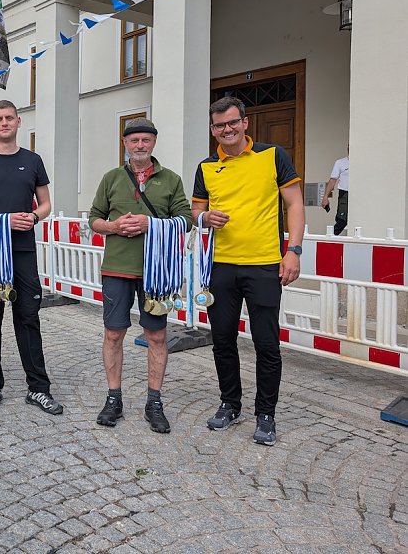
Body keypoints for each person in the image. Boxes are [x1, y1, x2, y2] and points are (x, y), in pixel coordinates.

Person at [192, 96, 305, 447]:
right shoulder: (207, 166)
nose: (226, 129)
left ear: (244, 122)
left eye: (231, 122)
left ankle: (266, 414)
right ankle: (230, 403)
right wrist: (204, 218)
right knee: (222, 339)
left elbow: (295, 203)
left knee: (266, 343)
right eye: (219, 125)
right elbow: (197, 208)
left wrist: (294, 251)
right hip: (221, 266)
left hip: (264, 264)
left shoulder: (273, 156)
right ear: (213, 130)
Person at [88, 118, 192, 433]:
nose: (140, 146)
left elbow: (186, 219)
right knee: (114, 334)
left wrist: (151, 225)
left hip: (156, 271)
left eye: (146, 140)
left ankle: (154, 401)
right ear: (125, 143)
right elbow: (94, 218)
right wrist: (115, 226)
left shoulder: (170, 180)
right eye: (134, 141)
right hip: (117, 267)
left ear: (154, 143)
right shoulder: (111, 178)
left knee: (157, 336)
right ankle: (114, 397)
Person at [0, 100, 63, 415]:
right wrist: (2, 221)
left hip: (22, 251)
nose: (4, 123)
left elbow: (45, 203)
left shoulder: (32, 161)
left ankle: (38, 389)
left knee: (28, 318)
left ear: (19, 122)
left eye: (8, 118)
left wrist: (33, 217)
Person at [321, 147, 349, 235]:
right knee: (342, 220)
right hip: (345, 194)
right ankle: (329, 239)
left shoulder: (362, 162)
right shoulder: (340, 163)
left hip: (359, 194)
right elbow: (333, 180)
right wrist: (325, 197)